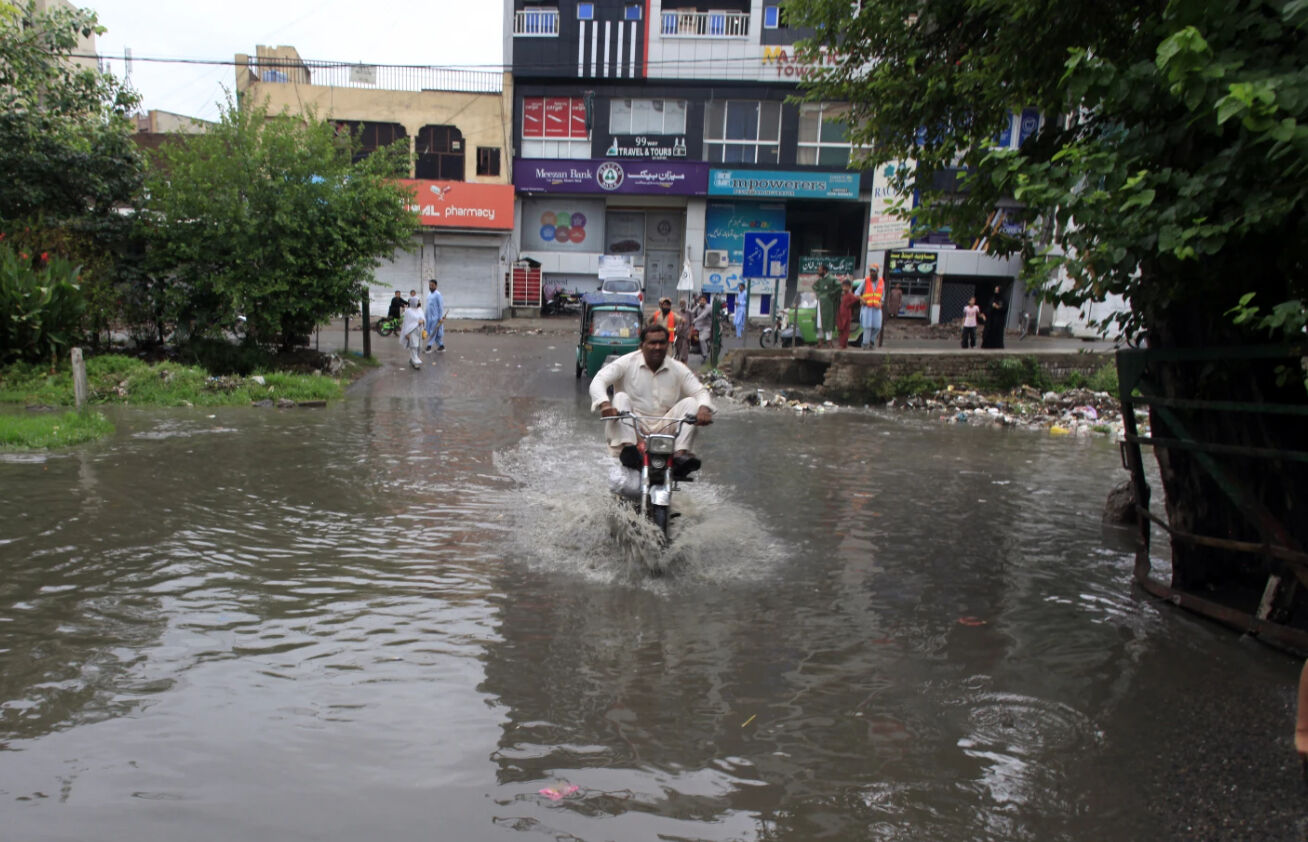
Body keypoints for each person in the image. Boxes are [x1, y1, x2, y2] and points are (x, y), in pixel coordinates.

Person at [590, 324, 714, 479]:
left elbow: (700, 391)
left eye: (662, 343)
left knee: (691, 402)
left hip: (665, 428)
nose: (657, 347)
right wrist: (605, 404)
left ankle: (680, 456)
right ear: (642, 346)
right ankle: (630, 452)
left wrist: (703, 409)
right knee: (621, 397)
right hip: (633, 426)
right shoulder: (627, 362)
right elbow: (599, 380)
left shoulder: (677, 368)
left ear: (668, 345)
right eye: (652, 343)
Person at [812, 264, 840, 348]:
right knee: (819, 323)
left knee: (828, 322)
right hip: (820, 303)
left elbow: (839, 287)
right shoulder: (820, 280)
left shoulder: (832, 279)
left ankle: (829, 342)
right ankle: (820, 342)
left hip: (828, 304)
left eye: (819, 270)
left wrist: (831, 295)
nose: (818, 271)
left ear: (825, 271)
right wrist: (819, 293)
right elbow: (814, 286)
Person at [856, 270, 885, 349]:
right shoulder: (866, 281)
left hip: (877, 308)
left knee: (877, 327)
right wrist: (862, 300)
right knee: (867, 326)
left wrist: (881, 303)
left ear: (877, 272)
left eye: (874, 271)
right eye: (871, 271)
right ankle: (865, 344)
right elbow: (857, 293)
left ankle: (871, 340)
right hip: (867, 307)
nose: (872, 273)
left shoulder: (881, 282)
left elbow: (883, 295)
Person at [400, 295, 424, 369]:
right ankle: (415, 363)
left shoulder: (420, 310)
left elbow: (423, 318)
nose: (419, 303)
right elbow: (406, 323)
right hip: (412, 331)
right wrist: (406, 333)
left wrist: (423, 321)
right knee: (414, 346)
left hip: (419, 331)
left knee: (419, 346)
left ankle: (413, 359)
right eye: (418, 301)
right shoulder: (408, 312)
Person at [836, 278, 860, 349]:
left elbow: (856, 299)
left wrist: (849, 305)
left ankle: (844, 345)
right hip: (841, 314)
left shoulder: (850, 295)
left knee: (845, 329)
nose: (844, 288)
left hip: (847, 314)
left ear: (849, 287)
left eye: (846, 286)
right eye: (843, 286)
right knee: (841, 329)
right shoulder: (843, 295)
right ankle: (841, 344)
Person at [424, 279, 446, 353]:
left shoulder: (438, 295)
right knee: (433, 332)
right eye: (430, 285)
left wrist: (440, 318)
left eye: (432, 285)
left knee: (433, 332)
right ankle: (441, 346)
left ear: (436, 286)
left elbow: (440, 307)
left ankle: (429, 346)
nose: (430, 287)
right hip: (429, 317)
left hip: (436, 318)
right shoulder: (429, 294)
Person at [982, 284, 1006, 349]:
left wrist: (997, 307)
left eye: (996, 290)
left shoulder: (1002, 300)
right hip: (990, 319)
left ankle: (996, 346)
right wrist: (984, 314)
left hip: (998, 320)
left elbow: (1003, 308)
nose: (995, 291)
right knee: (987, 332)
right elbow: (988, 307)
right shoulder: (992, 298)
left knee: (996, 333)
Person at [881, 283, 903, 347]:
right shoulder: (892, 291)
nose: (897, 286)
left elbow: (900, 298)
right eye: (897, 285)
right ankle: (889, 320)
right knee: (890, 311)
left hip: (896, 303)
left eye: (899, 285)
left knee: (896, 312)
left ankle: (895, 321)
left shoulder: (900, 291)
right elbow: (889, 297)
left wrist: (900, 303)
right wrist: (888, 302)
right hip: (892, 302)